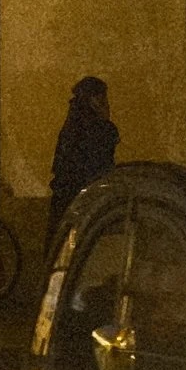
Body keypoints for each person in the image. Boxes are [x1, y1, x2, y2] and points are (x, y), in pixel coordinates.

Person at [44, 76, 119, 258]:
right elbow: (99, 160)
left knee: (60, 246)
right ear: (92, 99)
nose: (106, 102)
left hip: (68, 192)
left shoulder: (75, 121)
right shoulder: (93, 126)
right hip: (81, 193)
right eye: (102, 97)